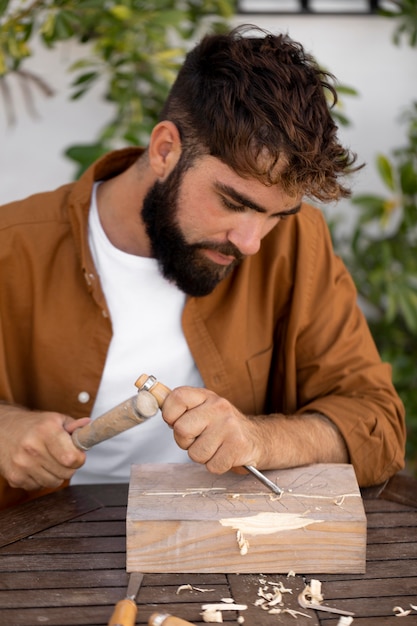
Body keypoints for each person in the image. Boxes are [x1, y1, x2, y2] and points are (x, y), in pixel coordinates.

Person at [0, 25, 406, 510]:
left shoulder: (297, 243)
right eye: (233, 202)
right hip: (43, 551)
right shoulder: (12, 247)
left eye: (277, 215)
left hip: (227, 542)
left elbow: (377, 423)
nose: (252, 243)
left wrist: (260, 439)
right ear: (166, 150)